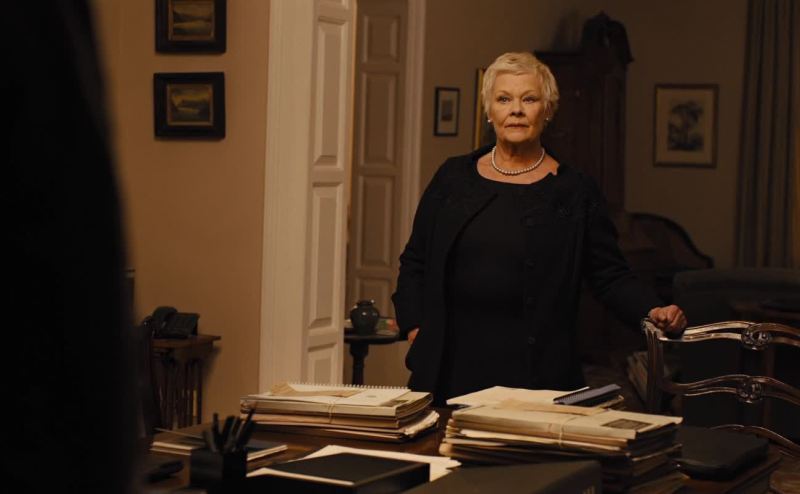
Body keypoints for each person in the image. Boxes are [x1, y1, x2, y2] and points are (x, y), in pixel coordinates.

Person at [392, 52, 686, 404]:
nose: (516, 110)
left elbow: (609, 275)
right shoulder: (453, 177)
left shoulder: (575, 190)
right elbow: (415, 260)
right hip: (451, 368)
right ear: (489, 110)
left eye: (529, 99)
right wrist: (415, 328)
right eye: (504, 99)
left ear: (547, 110)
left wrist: (652, 310)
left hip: (537, 372)